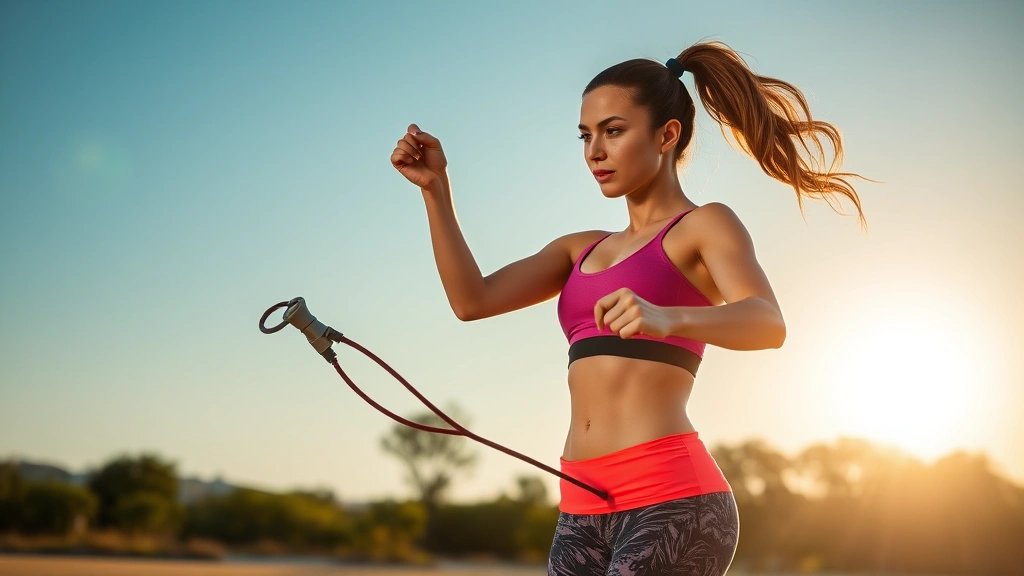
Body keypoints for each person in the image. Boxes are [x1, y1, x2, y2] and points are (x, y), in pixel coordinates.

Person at [390, 40, 865, 576]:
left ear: (667, 135)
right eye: (586, 135)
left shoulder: (704, 225)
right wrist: (435, 190)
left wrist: (668, 317)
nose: (595, 151)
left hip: (675, 500)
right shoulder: (579, 249)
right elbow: (470, 301)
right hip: (581, 506)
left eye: (613, 131)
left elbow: (767, 322)